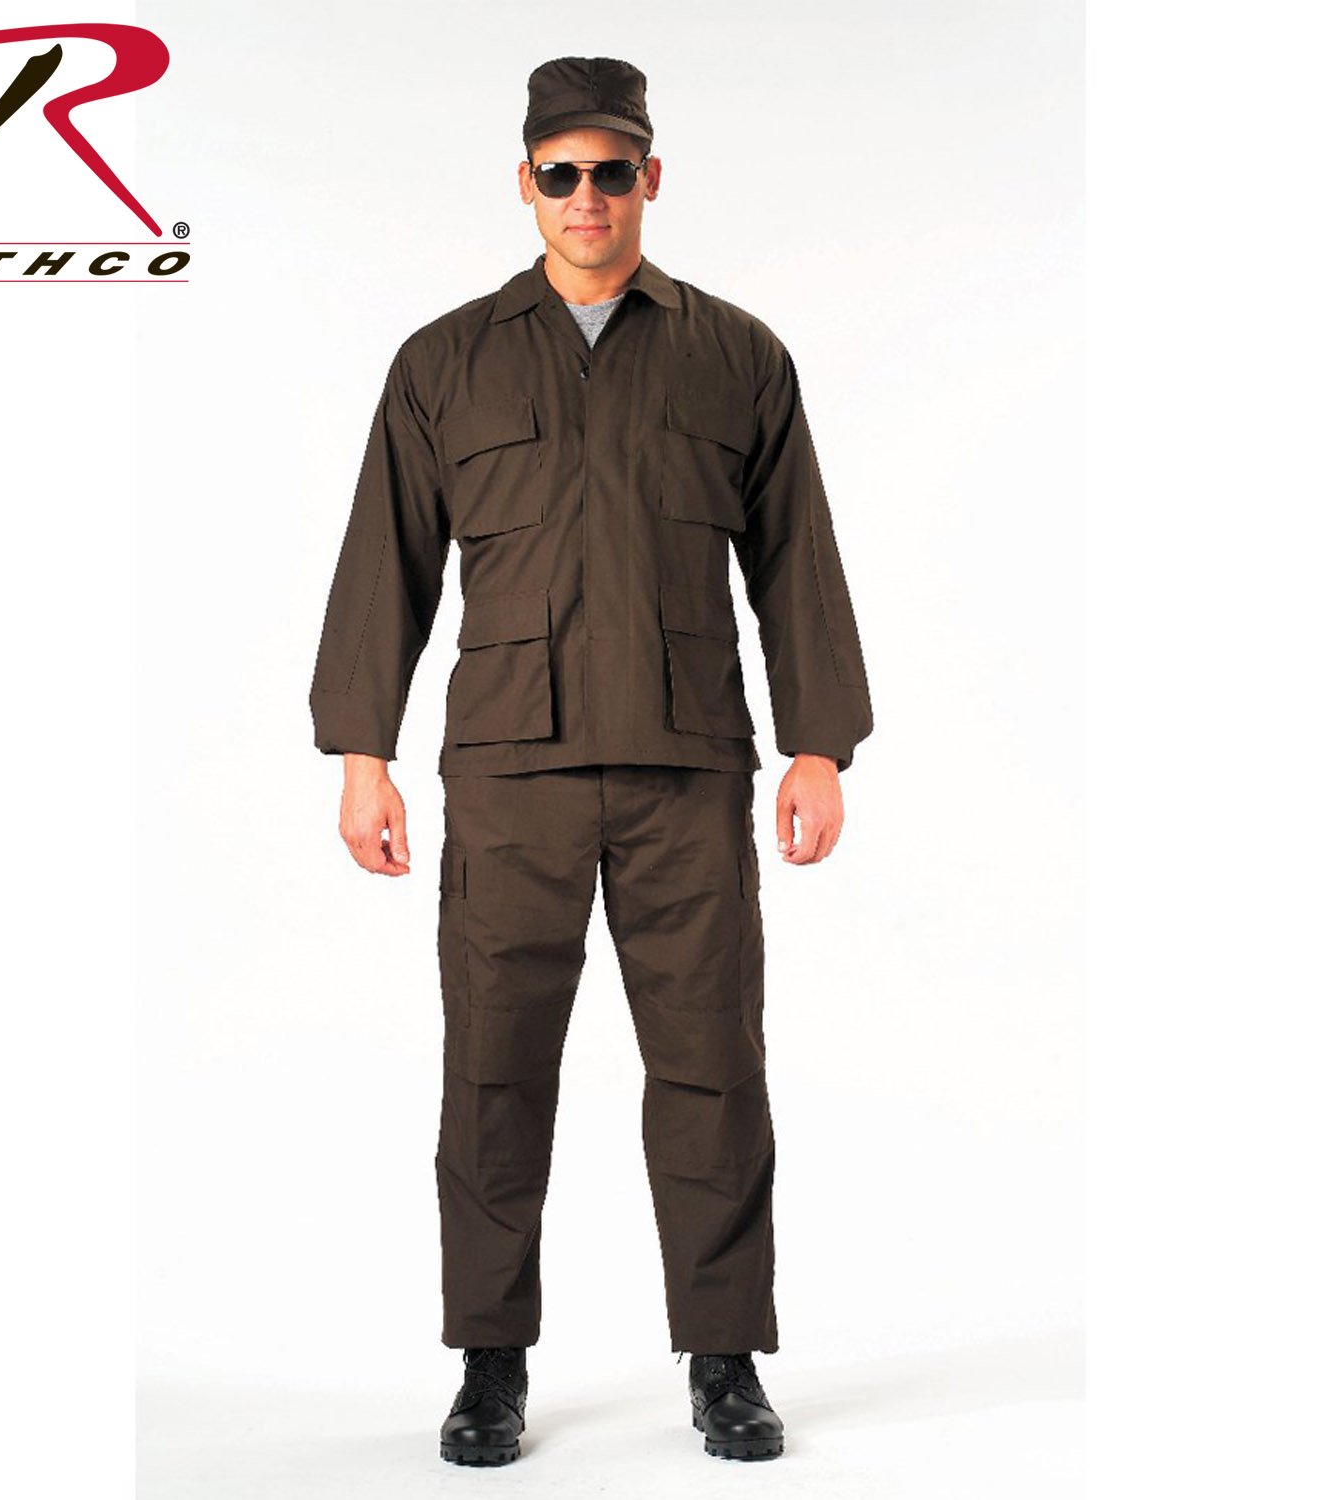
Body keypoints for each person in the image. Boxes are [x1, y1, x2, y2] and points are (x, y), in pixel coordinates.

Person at [308, 54, 874, 1465]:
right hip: (512, 772)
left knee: (713, 1066)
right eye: (560, 171)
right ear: (525, 184)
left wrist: (819, 743)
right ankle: (489, 1364)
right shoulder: (444, 363)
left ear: (649, 178)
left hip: (689, 769)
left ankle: (725, 1360)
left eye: (611, 170)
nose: (586, 194)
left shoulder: (736, 355)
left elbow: (796, 558)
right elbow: (387, 563)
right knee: (495, 1070)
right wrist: (363, 753)